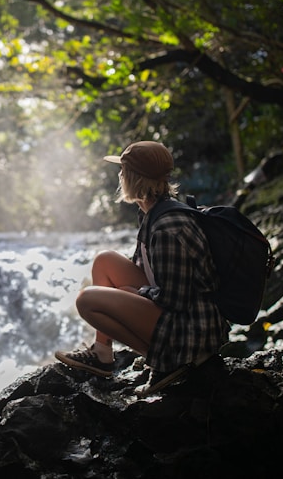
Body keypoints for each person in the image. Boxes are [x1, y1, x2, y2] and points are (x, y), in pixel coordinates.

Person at [54, 141, 229, 391]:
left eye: (122, 171)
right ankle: (102, 353)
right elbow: (149, 271)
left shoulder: (169, 227)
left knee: (87, 300)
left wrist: (133, 294)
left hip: (192, 332)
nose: (120, 175)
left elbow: (175, 299)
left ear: (131, 178)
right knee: (105, 260)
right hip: (180, 315)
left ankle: (170, 364)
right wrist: (133, 292)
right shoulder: (152, 212)